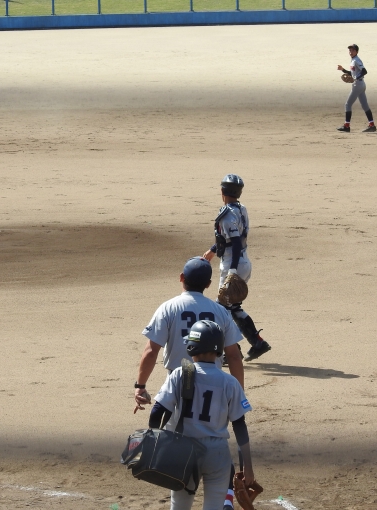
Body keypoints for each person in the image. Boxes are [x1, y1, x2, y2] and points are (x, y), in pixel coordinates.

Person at [149, 320, 255, 510]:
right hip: (217, 453)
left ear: (191, 346)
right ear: (219, 349)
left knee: (179, 506)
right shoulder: (230, 382)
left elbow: (157, 411)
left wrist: (154, 444)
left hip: (184, 451)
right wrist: (247, 466)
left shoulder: (180, 374)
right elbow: (240, 426)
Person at [134, 256, 244, 413]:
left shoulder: (168, 308)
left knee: (173, 425)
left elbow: (151, 351)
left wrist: (140, 385)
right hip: (214, 384)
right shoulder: (221, 312)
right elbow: (234, 356)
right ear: (208, 284)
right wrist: (239, 395)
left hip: (177, 383)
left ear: (181, 277)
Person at [203, 174, 271, 362]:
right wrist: (213, 250)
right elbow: (236, 238)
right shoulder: (241, 209)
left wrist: (231, 271)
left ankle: (232, 351)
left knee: (221, 310)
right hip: (244, 262)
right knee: (233, 307)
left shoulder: (226, 216)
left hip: (232, 265)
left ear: (222, 191)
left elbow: (235, 242)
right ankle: (257, 343)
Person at [337, 43, 376, 133]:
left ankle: (347, 126)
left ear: (357, 51)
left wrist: (356, 78)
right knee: (365, 105)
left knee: (348, 104)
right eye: (350, 50)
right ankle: (372, 125)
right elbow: (352, 73)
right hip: (361, 85)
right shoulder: (353, 60)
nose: (351, 52)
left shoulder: (357, 60)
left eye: (353, 50)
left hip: (358, 85)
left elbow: (364, 71)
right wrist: (342, 69)